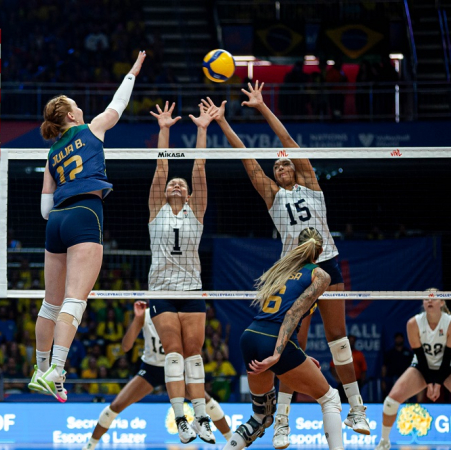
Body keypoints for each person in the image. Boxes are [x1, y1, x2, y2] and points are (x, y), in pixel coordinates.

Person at [209, 81, 369, 448]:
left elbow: (287, 139)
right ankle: (281, 420)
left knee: (338, 340)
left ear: (295, 169)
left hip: (326, 260)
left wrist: (263, 107)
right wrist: (223, 122)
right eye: (277, 164)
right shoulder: (273, 197)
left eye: (285, 163)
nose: (281, 165)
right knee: (291, 341)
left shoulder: (311, 185)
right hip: (292, 267)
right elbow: (246, 158)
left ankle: (356, 408)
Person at [29, 51, 147, 402]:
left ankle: (40, 369)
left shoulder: (51, 155)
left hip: (57, 223)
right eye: (76, 106)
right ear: (70, 115)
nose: (81, 109)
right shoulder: (92, 128)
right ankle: (58, 371)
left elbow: (44, 209)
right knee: (74, 301)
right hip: (85, 213)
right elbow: (119, 104)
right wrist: (133, 71)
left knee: (50, 305)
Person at [225, 228, 343, 450]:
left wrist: (301, 356)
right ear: (320, 251)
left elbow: (276, 316)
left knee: (261, 417)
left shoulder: (281, 270)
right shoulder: (321, 275)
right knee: (330, 398)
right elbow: (292, 314)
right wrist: (277, 355)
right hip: (274, 342)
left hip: (251, 336)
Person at [146, 100, 217, 443]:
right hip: (161, 289)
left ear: (189, 195)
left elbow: (199, 169)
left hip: (191, 288)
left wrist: (202, 129)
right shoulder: (156, 211)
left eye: (181, 184)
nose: (175, 185)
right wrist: (165, 130)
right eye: (172, 184)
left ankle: (201, 416)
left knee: (194, 352)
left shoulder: (195, 213)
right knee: (173, 350)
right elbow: (161, 169)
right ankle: (181, 419)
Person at [82, 301, 232, 450]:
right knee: (116, 406)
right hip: (151, 369)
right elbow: (126, 346)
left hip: (178, 370)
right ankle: (89, 446)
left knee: (208, 403)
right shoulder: (146, 314)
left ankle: (233, 442)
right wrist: (137, 318)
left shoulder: (181, 315)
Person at [374, 292, 451, 450]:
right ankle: (384, 441)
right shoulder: (413, 323)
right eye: (426, 298)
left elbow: (447, 356)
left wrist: (437, 383)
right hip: (422, 367)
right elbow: (420, 357)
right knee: (390, 402)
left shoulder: (449, 323)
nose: (429, 300)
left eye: (433, 297)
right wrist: (430, 382)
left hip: (447, 366)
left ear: (442, 302)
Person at [381, 332, 413, 397]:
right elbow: (384, 367)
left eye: (400, 338)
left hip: (404, 378)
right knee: (390, 396)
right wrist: (383, 380)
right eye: (397, 338)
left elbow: (412, 367)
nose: (399, 340)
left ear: (403, 339)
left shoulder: (408, 352)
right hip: (391, 378)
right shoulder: (390, 352)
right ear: (395, 339)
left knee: (404, 396)